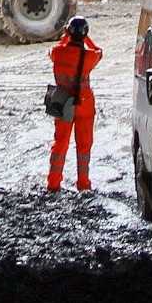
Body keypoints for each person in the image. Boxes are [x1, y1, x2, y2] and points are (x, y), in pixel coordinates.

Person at [46, 13, 102, 192]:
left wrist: (66, 37)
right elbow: (99, 52)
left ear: (68, 32)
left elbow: (55, 49)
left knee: (60, 143)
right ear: (84, 34)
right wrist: (87, 40)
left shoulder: (57, 52)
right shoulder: (89, 57)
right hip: (84, 104)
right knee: (84, 145)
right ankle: (83, 183)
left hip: (62, 103)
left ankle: (53, 183)